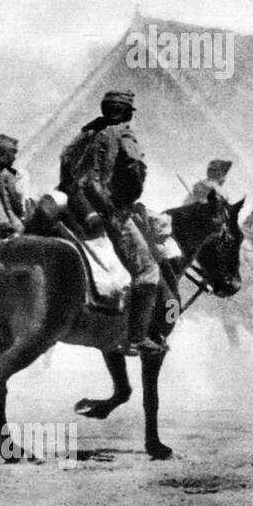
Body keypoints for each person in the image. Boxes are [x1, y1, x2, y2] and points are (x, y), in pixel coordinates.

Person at [58, 89, 166, 355]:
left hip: (77, 208)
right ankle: (136, 337)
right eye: (129, 113)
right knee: (149, 270)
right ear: (125, 112)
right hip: (108, 209)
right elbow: (135, 170)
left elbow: (65, 162)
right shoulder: (122, 134)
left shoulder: (89, 134)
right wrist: (122, 202)